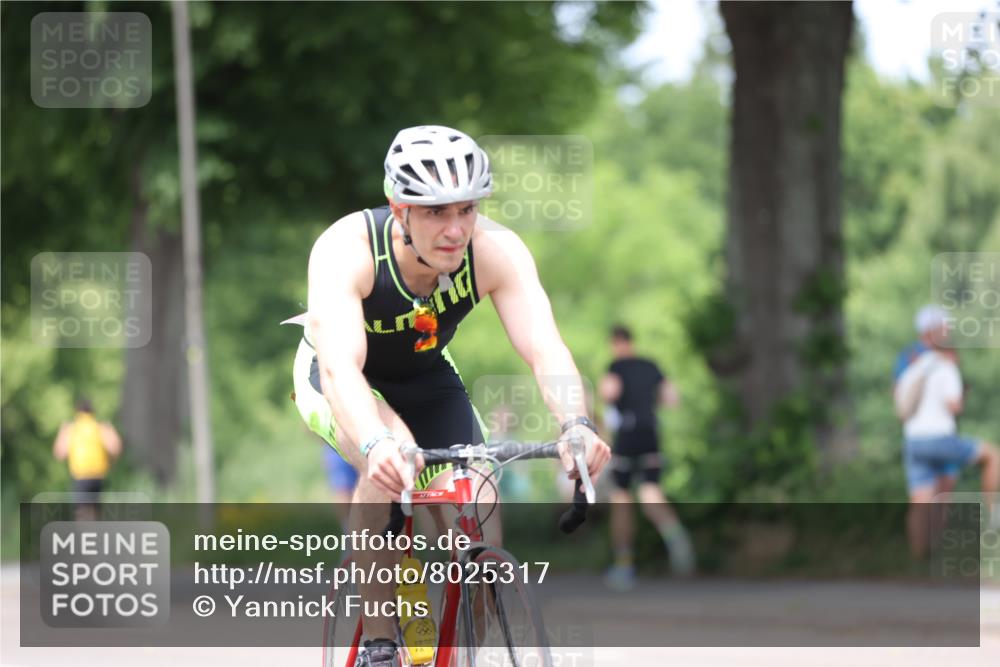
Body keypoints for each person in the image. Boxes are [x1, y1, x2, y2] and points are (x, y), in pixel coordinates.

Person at [288, 125, 610, 667]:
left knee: (479, 499)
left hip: (427, 376)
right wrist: (374, 444)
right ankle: (381, 642)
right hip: (339, 376)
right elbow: (343, 367)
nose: (455, 229)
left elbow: (545, 347)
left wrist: (577, 423)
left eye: (467, 209)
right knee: (390, 456)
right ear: (399, 208)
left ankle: (463, 652)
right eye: (436, 212)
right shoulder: (348, 248)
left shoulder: (494, 250)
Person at [898, 305, 1000, 559]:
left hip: (913, 441)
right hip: (940, 438)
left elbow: (900, 403)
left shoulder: (910, 364)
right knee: (993, 456)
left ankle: (918, 561)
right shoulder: (946, 365)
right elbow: (954, 406)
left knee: (921, 500)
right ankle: (994, 518)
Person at [598, 325, 694, 590]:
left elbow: (609, 393)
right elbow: (672, 398)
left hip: (627, 436)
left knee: (621, 499)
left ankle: (623, 565)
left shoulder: (616, 366)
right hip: (650, 434)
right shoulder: (651, 365)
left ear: (615, 343)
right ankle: (678, 542)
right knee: (651, 494)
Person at [52, 397, 123, 520]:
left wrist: (62, 432)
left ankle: (85, 536)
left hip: (81, 476)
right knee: (95, 511)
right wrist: (111, 463)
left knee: (82, 512)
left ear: (77, 412)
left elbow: (59, 453)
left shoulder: (72, 429)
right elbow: (116, 447)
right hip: (98, 476)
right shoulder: (99, 427)